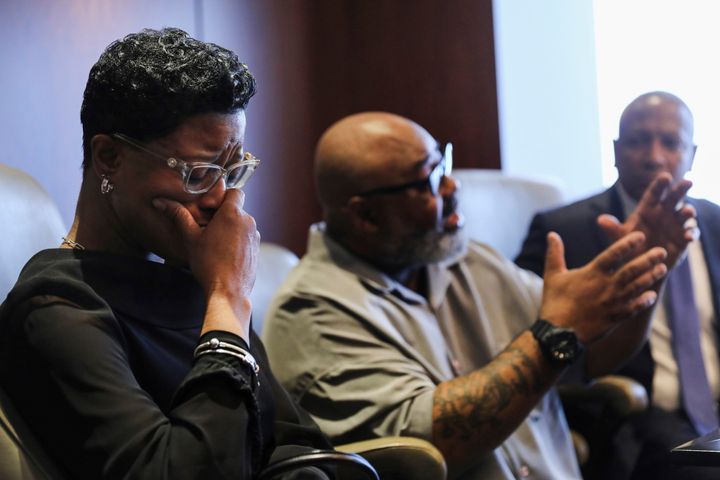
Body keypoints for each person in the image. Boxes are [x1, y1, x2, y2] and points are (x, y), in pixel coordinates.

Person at [262, 111, 696, 479]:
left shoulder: (469, 259)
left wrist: (649, 273)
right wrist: (553, 335)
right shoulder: (313, 313)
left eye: (443, 164)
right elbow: (435, 443)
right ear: (366, 216)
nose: (453, 188)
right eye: (431, 179)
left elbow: (595, 353)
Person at [0, 27, 338, 479]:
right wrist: (227, 300)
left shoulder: (192, 278)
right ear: (109, 158)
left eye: (233, 170)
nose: (222, 197)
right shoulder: (55, 307)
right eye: (198, 172)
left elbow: (298, 444)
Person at [515, 91, 720, 479]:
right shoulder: (562, 229)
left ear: (692, 154)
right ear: (615, 150)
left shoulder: (715, 222)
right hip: (634, 419)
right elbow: (526, 341)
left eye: (671, 143)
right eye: (638, 140)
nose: (654, 156)